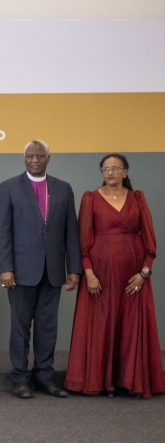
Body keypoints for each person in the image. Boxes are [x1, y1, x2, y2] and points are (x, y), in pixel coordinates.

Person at [65, 154, 164, 398]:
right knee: (103, 324)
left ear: (125, 171)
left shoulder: (138, 198)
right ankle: (103, 381)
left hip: (134, 275)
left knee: (131, 326)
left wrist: (144, 272)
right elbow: (83, 240)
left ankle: (128, 380)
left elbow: (149, 240)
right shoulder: (90, 198)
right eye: (105, 168)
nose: (109, 172)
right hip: (100, 274)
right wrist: (89, 273)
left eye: (115, 168)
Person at [0, 140, 81, 399]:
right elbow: (3, 231)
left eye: (39, 156)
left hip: (53, 270)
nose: (35, 160)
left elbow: (71, 231)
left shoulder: (63, 188)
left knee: (47, 327)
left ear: (48, 158)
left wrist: (73, 268)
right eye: (30, 156)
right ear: (24, 159)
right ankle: (20, 378)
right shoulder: (9, 186)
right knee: (20, 327)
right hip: (20, 271)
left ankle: (45, 376)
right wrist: (6, 268)